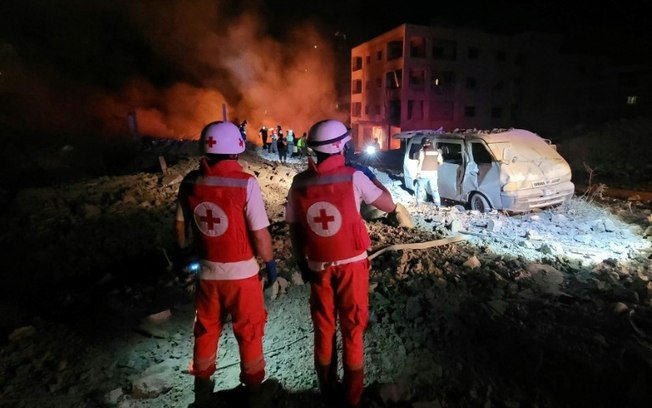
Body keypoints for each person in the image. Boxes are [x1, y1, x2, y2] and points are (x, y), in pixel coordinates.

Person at [285, 119, 409, 408]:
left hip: (317, 266)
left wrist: (300, 260)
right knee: (352, 328)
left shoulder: (299, 182)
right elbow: (389, 205)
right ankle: (352, 398)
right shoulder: (354, 176)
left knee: (323, 327)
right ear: (340, 145)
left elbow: (293, 227)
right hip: (352, 266)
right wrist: (370, 175)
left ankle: (327, 392)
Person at [175, 120, 278, 408]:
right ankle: (255, 393)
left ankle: (203, 394)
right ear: (237, 150)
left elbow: (180, 225)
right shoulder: (246, 183)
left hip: (207, 275)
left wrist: (182, 253)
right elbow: (259, 233)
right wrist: (270, 264)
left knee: (206, 330)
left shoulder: (189, 182)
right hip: (243, 276)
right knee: (249, 329)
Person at [415, 137, 443, 208]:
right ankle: (438, 205)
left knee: (420, 189)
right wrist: (434, 165)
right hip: (433, 173)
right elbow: (441, 162)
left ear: (423, 144)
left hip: (423, 173)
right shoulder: (437, 151)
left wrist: (418, 172)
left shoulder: (422, 151)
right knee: (434, 189)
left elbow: (420, 162)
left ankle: (418, 205)